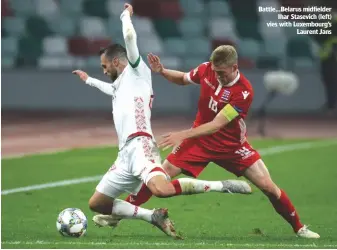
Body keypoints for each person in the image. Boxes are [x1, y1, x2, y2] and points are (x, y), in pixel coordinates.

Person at [72, 3, 251, 239]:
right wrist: (89, 81)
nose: (103, 71)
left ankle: (221, 186)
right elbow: (112, 89)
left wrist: (125, 15)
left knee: (162, 189)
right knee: (98, 203)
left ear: (117, 62)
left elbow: (129, 36)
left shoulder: (136, 71)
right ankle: (152, 217)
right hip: (124, 152)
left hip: (141, 145)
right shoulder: (121, 84)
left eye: (105, 66)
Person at [119, 45, 320, 239]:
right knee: (159, 178)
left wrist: (183, 134)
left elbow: (216, 124)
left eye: (222, 72)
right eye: (216, 71)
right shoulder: (207, 69)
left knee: (268, 187)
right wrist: (162, 71)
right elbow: (182, 78)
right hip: (198, 141)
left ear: (234, 67)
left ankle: (299, 228)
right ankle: (118, 213)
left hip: (231, 147)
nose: (218, 76)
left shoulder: (243, 92)